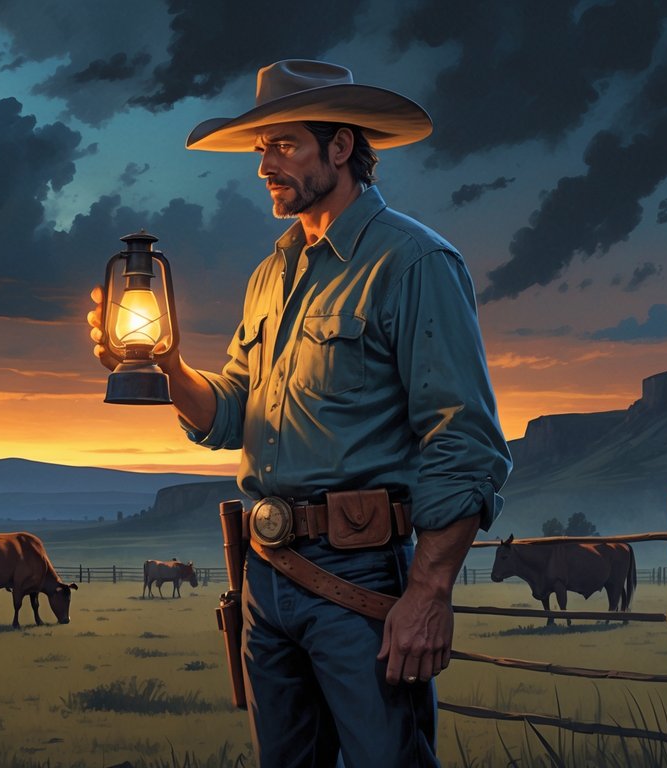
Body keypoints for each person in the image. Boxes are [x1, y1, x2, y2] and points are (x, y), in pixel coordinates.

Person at [88, 59, 512, 766]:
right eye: (259, 148)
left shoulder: (411, 262)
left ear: (340, 147)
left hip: (360, 577)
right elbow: (228, 413)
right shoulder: (271, 273)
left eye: (281, 144)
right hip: (267, 576)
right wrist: (165, 362)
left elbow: (463, 439)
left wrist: (428, 591)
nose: (262, 166)